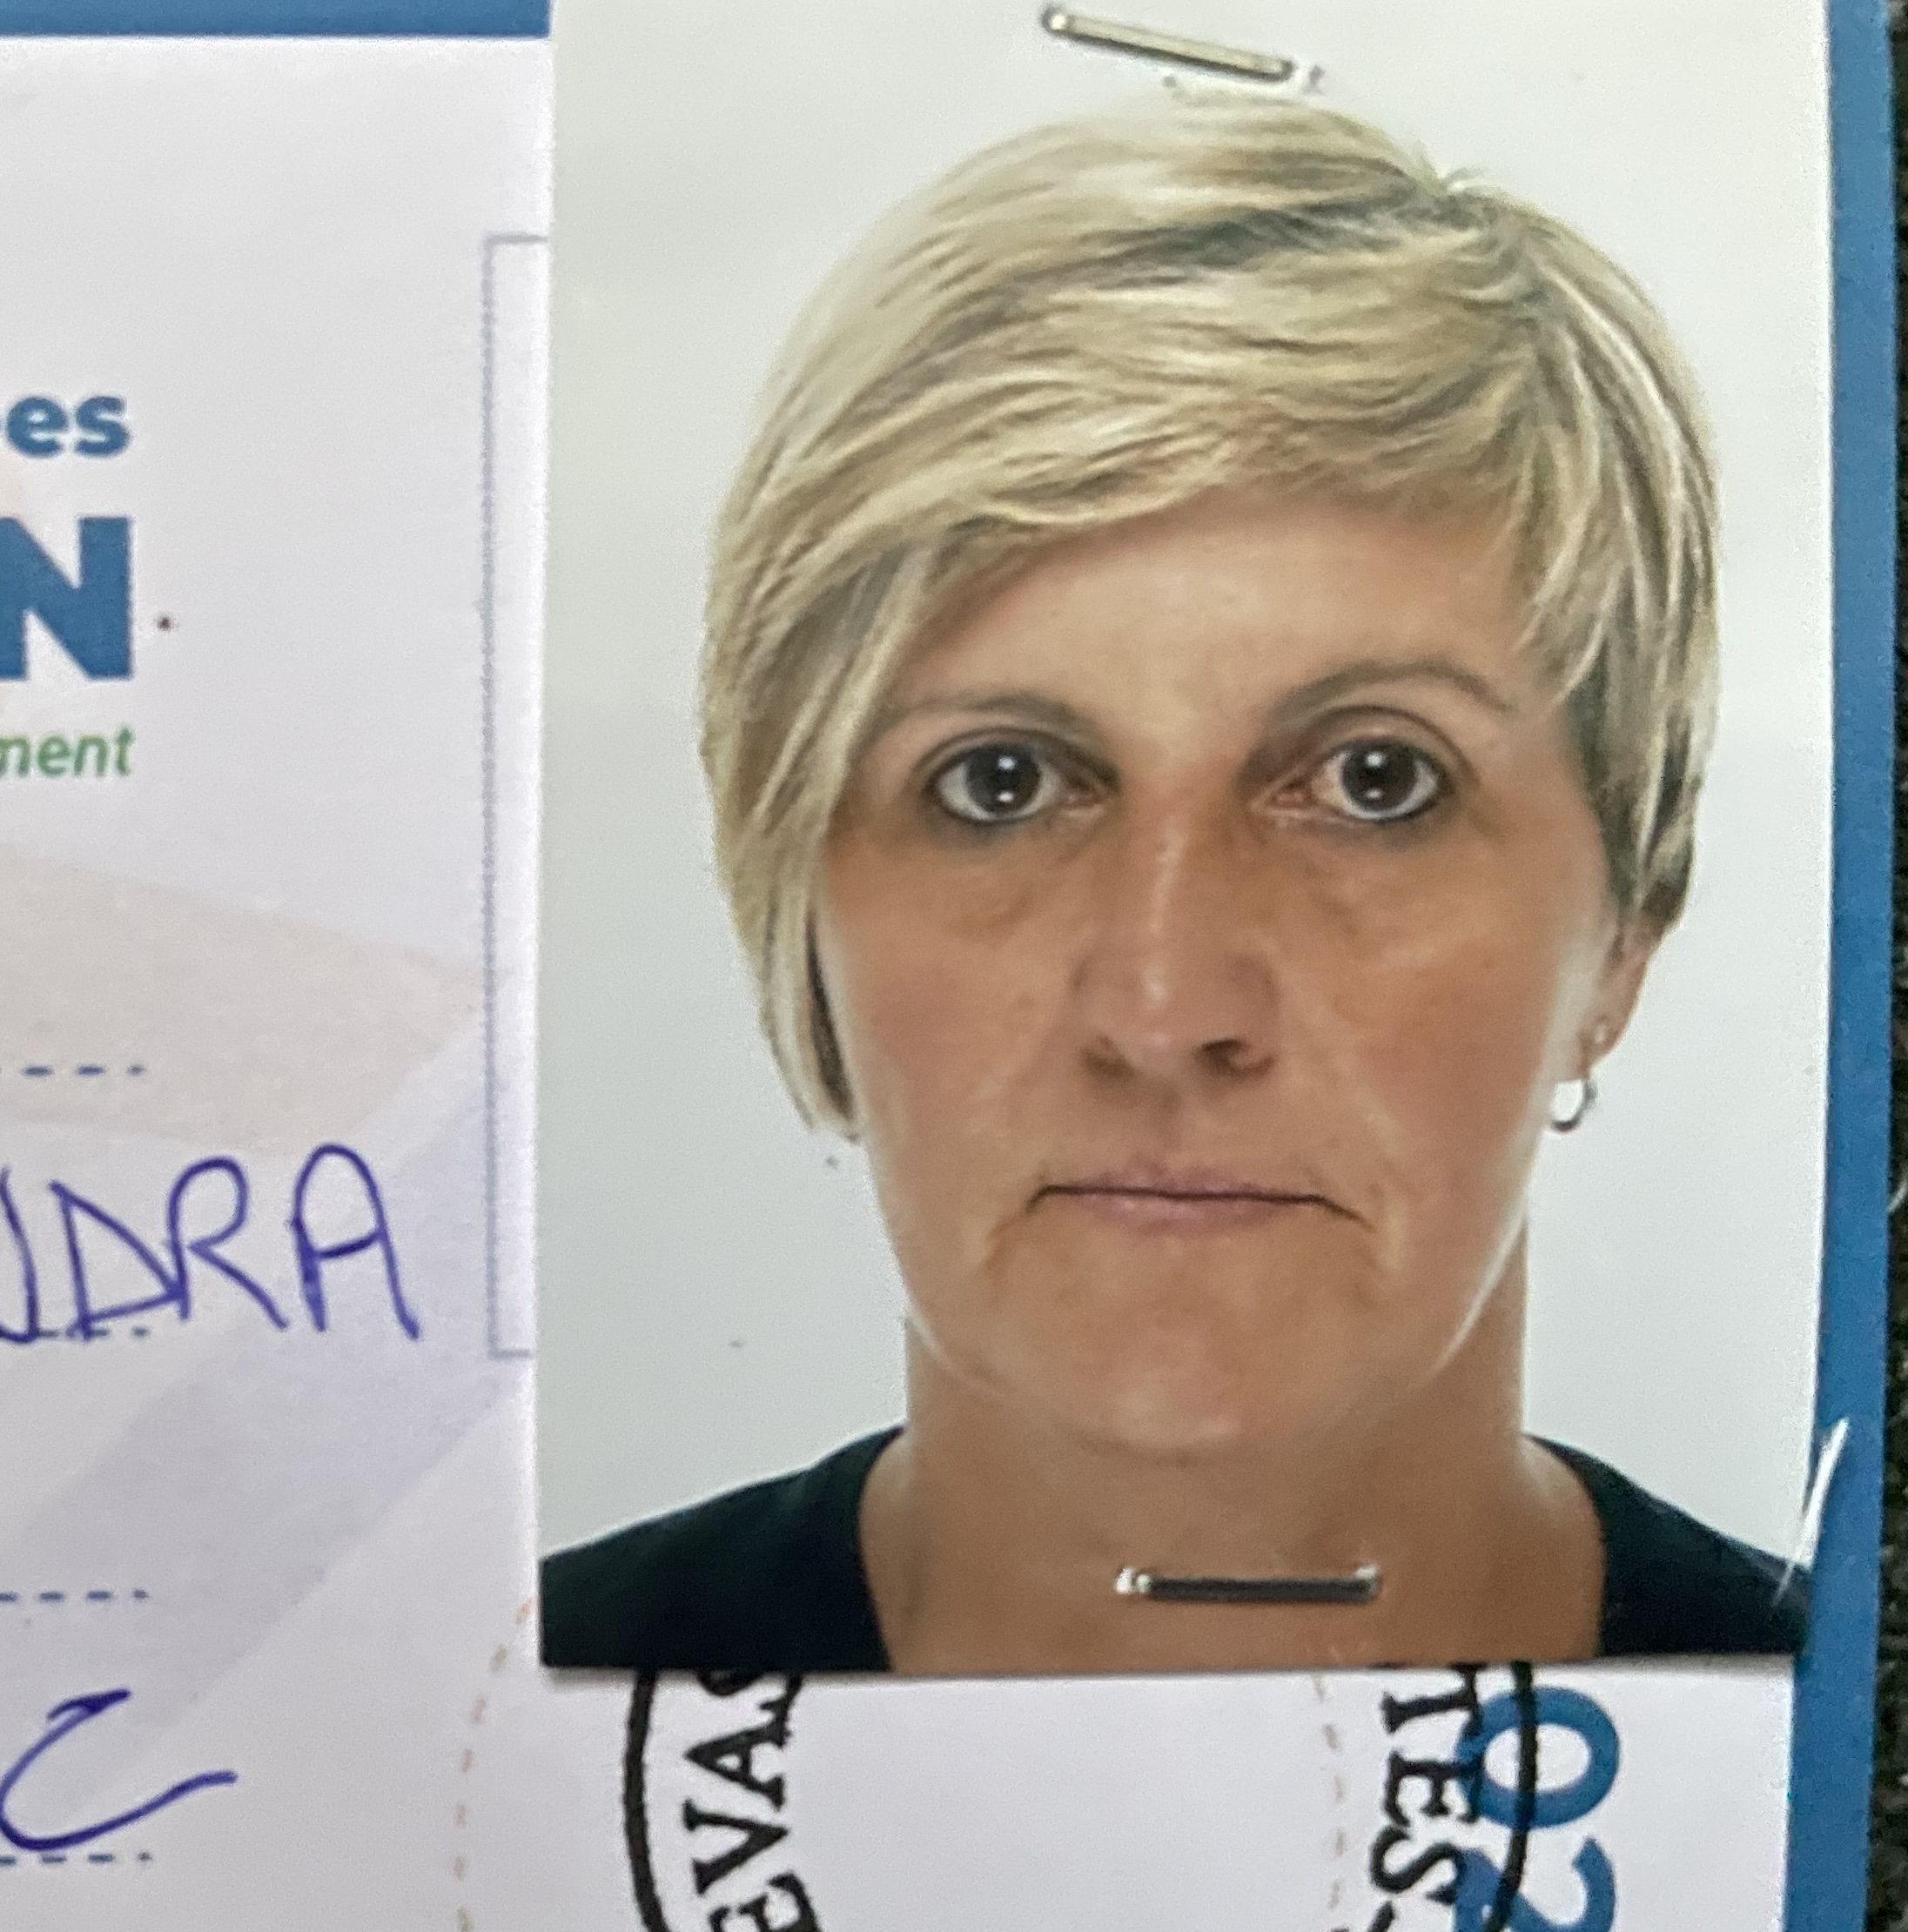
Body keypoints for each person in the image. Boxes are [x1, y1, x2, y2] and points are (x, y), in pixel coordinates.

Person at [542, 96, 1804, 1678]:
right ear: (795, 911)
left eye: (1377, 780)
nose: (1161, 1006)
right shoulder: (487, 1712)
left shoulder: (1824, 1728)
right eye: (1000, 783)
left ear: (1628, 927)